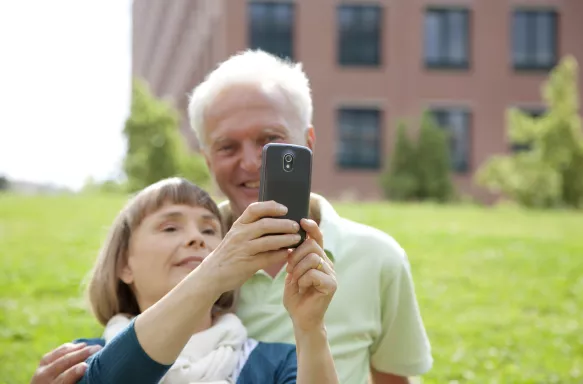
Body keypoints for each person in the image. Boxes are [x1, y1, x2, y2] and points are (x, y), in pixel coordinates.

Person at [31, 49, 432, 384]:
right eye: (226, 147)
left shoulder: (378, 257)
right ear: (206, 158)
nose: (251, 163)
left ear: (308, 141)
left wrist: (311, 330)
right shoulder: (194, 258)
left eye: (271, 142)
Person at [35, 177, 339, 384]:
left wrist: (311, 329)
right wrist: (211, 273)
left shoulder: (276, 362)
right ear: (124, 265)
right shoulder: (81, 358)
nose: (196, 238)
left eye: (209, 231)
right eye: (170, 228)